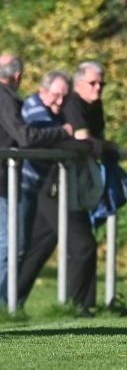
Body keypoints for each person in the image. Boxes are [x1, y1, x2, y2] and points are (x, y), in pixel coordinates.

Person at [17, 61, 109, 316]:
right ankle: (79, 307)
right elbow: (71, 142)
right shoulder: (65, 105)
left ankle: (9, 301)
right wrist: (94, 145)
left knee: (38, 248)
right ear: (78, 83)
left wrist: (96, 144)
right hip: (54, 187)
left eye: (102, 83)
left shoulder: (85, 105)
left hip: (58, 184)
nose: (98, 88)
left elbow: (75, 140)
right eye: (93, 83)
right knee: (83, 245)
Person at [0, 54, 73, 307]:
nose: (60, 101)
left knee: (15, 247)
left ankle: (9, 305)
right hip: (10, 182)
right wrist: (63, 134)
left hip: (14, 182)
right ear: (18, 76)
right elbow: (26, 137)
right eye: (56, 95)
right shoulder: (12, 100)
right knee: (10, 248)